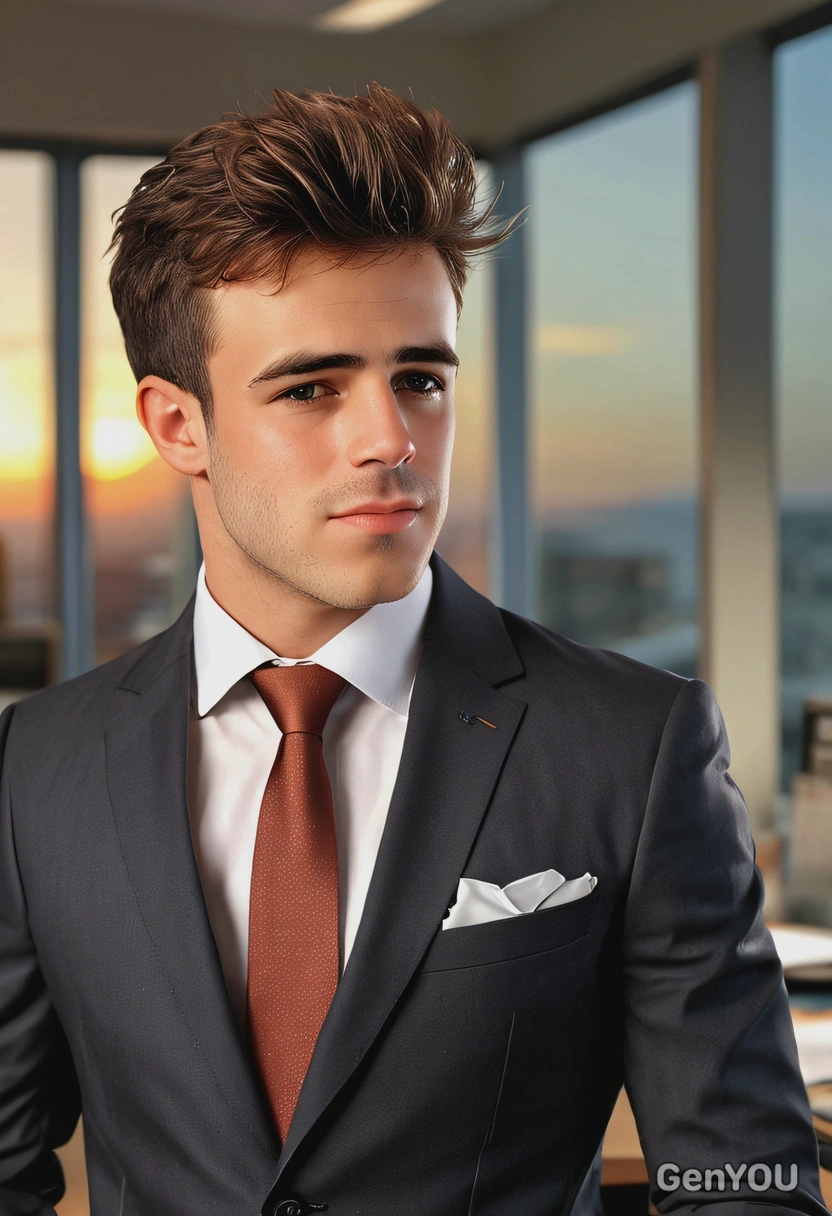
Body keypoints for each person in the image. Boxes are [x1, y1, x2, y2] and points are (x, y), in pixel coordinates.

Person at [0, 83, 826, 1216]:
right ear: (176, 424)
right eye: (310, 387)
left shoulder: (630, 746)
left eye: (419, 379)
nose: (391, 439)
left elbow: (743, 1183)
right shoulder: (34, 764)